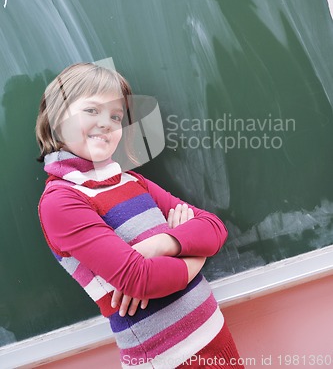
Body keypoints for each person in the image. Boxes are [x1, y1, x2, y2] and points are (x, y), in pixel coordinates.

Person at [36, 62, 244, 368]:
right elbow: (139, 279)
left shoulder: (131, 182)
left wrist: (163, 244)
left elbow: (214, 227)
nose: (106, 123)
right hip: (166, 359)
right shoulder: (61, 201)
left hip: (215, 334)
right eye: (92, 110)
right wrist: (196, 257)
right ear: (56, 116)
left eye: (116, 116)